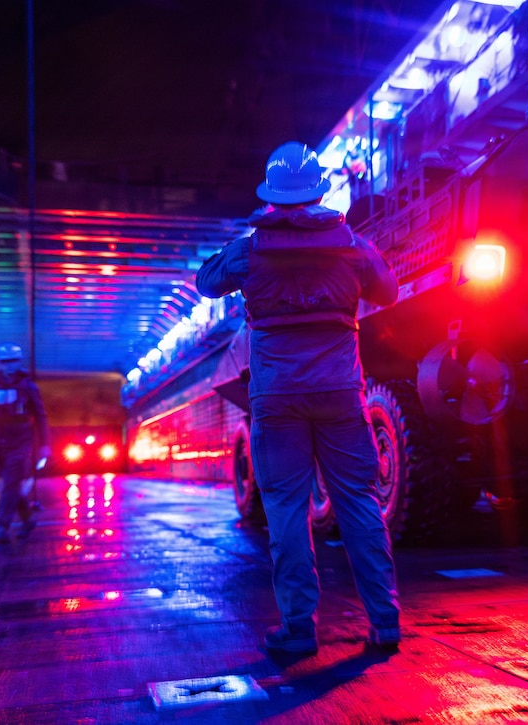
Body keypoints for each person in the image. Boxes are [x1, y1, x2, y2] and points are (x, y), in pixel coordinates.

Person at [196, 141, 401, 655]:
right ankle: (384, 622)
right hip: (339, 392)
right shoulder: (351, 243)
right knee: (359, 502)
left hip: (278, 396)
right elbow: (389, 293)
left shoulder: (251, 248)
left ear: (271, 196)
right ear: (318, 190)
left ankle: (299, 629)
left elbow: (205, 283)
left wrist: (246, 243)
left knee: (286, 507)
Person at [0, 343, 50, 544]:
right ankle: (27, 519)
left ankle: (2, 527)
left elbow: (40, 416)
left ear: (19, 361)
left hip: (22, 440)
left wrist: (44, 444)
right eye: (5, 361)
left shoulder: (28, 387)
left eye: (13, 361)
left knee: (10, 482)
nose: (9, 365)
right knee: (12, 484)